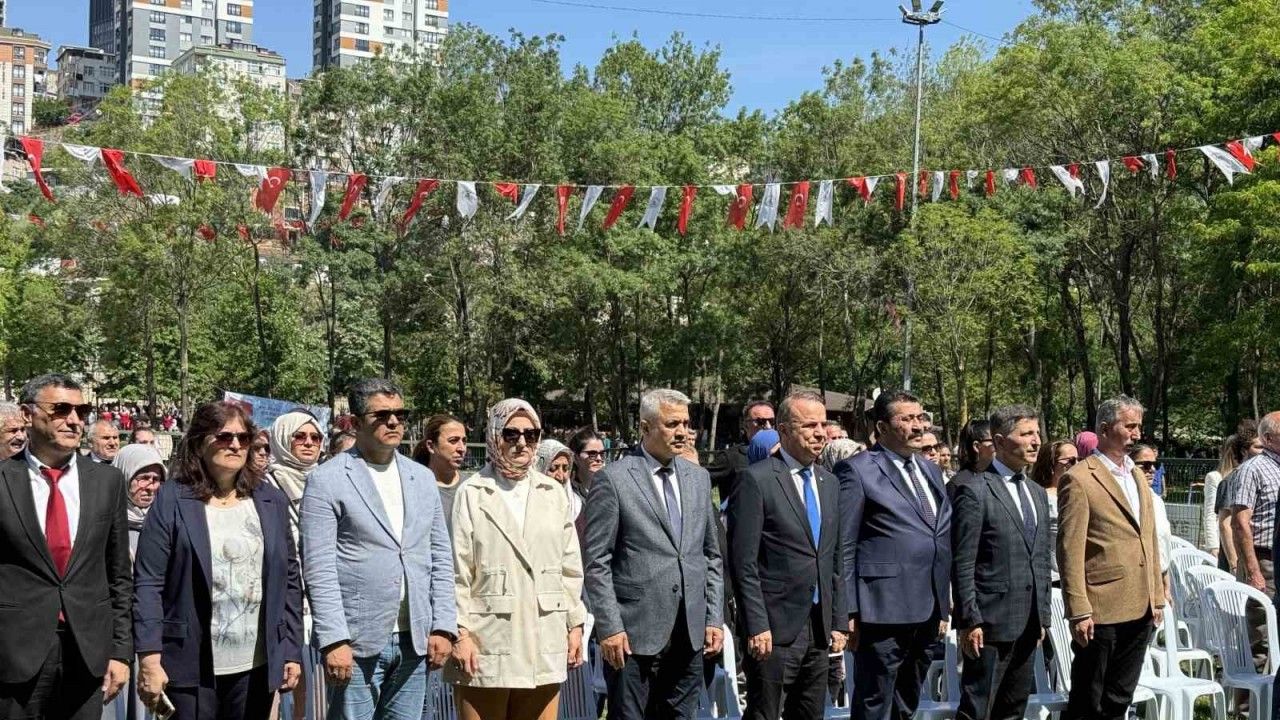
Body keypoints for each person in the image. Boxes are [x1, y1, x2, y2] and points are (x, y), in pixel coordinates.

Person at [133, 401, 303, 720]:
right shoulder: (171, 499)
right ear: (200, 442)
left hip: (256, 666)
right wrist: (150, 657)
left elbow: (290, 579)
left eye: (244, 437)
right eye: (224, 437)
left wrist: (291, 649)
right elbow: (148, 583)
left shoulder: (271, 500)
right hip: (188, 666)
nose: (236, 445)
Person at [301, 379, 457, 720]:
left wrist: (444, 625)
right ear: (357, 423)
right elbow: (318, 567)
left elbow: (441, 557)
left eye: (400, 414)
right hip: (355, 643)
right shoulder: (326, 480)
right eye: (382, 415)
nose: (394, 422)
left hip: (415, 640)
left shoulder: (422, 478)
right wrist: (334, 639)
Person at [583, 388, 724, 720]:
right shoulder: (614, 480)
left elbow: (711, 555)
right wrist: (609, 627)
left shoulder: (698, 478)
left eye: (686, 423)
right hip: (633, 634)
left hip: (689, 632)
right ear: (645, 428)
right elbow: (597, 561)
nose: (682, 432)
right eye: (672, 424)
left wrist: (713, 617)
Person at [0, 374, 132, 719]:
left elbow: (118, 573)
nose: (74, 420)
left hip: (87, 651)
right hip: (15, 654)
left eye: (81, 411)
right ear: (27, 415)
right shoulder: (3, 480)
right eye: (61, 409)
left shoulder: (107, 482)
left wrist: (120, 651)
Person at [447, 399, 587, 720]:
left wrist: (575, 624)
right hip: (488, 638)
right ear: (495, 435)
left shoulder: (552, 493)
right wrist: (460, 634)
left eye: (531, 434)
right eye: (511, 434)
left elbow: (569, 569)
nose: (522, 442)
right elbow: (457, 572)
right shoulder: (473, 492)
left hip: (544, 634)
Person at [727, 391, 844, 720]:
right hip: (774, 629)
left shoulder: (829, 483)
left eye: (823, 424)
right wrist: (756, 625)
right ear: (783, 430)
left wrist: (838, 621)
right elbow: (744, 563)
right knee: (765, 712)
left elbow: (834, 558)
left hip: (818, 627)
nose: (819, 433)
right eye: (809, 425)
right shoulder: (757, 480)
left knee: (809, 713)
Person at [837, 389, 951, 720]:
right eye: (907, 419)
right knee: (875, 702)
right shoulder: (857, 470)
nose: (918, 426)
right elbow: (845, 544)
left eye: (921, 417)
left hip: (928, 607)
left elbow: (938, 534)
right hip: (882, 609)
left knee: (908, 700)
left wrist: (945, 599)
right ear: (882, 427)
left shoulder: (929, 470)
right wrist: (849, 609)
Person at [1057, 395, 1164, 720]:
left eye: (1139, 426)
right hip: (1100, 609)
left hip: (1141, 605)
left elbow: (1149, 538)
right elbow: (1069, 549)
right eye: (1129, 426)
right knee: (1089, 699)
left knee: (1120, 697)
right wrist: (1078, 609)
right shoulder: (1079, 478)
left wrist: (1157, 596)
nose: (1137, 434)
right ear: (1104, 429)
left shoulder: (1136, 475)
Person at [951, 406, 1052, 720]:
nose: (1036, 441)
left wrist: (1043, 616)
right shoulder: (975, 490)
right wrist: (969, 620)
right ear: (999, 441)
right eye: (1026, 434)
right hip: (990, 624)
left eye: (1037, 433)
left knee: (1013, 709)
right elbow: (963, 562)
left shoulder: (1036, 493)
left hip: (1028, 622)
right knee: (978, 709)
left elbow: (1041, 558)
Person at [264, 410, 326, 720]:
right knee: (280, 684)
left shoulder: (328, 480)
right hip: (282, 593)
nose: (309, 443)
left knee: (317, 690)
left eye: (316, 437)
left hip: (321, 593)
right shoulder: (264, 484)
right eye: (299, 436)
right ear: (282, 439)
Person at [1227, 412, 1280, 677]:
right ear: (1268, 438)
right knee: (1260, 635)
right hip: (1264, 559)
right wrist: (1253, 570)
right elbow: (1240, 522)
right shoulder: (1252, 470)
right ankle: (1252, 699)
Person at [1029, 439, 1078, 581]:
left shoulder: (1079, 493)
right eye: (1071, 460)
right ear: (1051, 465)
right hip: (1055, 579)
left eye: (1079, 459)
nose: (1077, 465)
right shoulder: (1043, 497)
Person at [411, 414, 469, 533]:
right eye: (453, 441)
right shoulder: (413, 488)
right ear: (431, 446)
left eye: (464, 441)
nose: (461, 448)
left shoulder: (470, 487)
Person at [708, 400, 775, 502]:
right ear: (746, 425)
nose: (768, 426)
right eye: (761, 421)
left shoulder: (784, 454)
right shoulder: (731, 457)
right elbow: (697, 485)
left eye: (772, 421)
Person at [1217, 424, 1263, 572]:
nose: (1263, 452)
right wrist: (1234, 563)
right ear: (1244, 451)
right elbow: (1225, 525)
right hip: (1237, 562)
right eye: (1258, 447)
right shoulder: (1230, 481)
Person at [1130, 444, 1173, 593]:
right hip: (1138, 581)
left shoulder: (1156, 500)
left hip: (1158, 579)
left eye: (1155, 465)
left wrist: (1166, 583)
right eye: (1146, 465)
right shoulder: (1128, 501)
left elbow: (1163, 542)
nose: (1153, 470)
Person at [113, 443, 166, 559]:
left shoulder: (166, 518)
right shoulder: (105, 519)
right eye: (144, 478)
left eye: (156, 479)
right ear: (125, 476)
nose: (150, 487)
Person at [535, 438, 583, 521]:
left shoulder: (575, 507)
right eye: (553, 468)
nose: (560, 476)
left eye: (565, 468)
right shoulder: (525, 504)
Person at [567, 426, 606, 498]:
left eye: (602, 453)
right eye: (592, 454)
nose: (599, 458)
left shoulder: (610, 488)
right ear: (575, 457)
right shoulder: (567, 493)